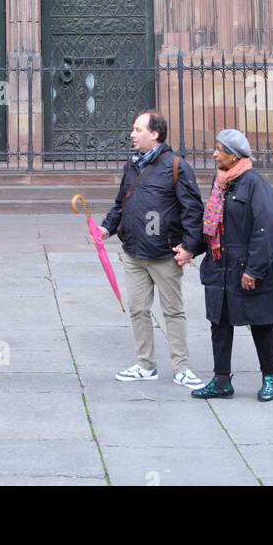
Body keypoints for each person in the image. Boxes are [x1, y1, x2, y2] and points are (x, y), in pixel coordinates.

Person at [180, 129, 273, 401]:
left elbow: (265, 228)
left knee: (260, 322)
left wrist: (254, 270)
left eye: (219, 149)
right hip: (220, 266)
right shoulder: (220, 182)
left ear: (234, 155)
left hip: (248, 268)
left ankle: (270, 378)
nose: (214, 153)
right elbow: (211, 228)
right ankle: (222, 381)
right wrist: (189, 250)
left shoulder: (255, 184)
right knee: (219, 324)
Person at [100, 110, 205, 389]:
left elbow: (193, 210)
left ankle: (181, 367)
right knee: (137, 309)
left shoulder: (176, 166)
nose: (132, 135)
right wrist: (105, 229)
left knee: (173, 311)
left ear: (154, 134)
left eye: (137, 130)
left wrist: (190, 248)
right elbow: (122, 203)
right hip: (134, 252)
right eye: (133, 129)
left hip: (163, 253)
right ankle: (145, 365)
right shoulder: (132, 165)